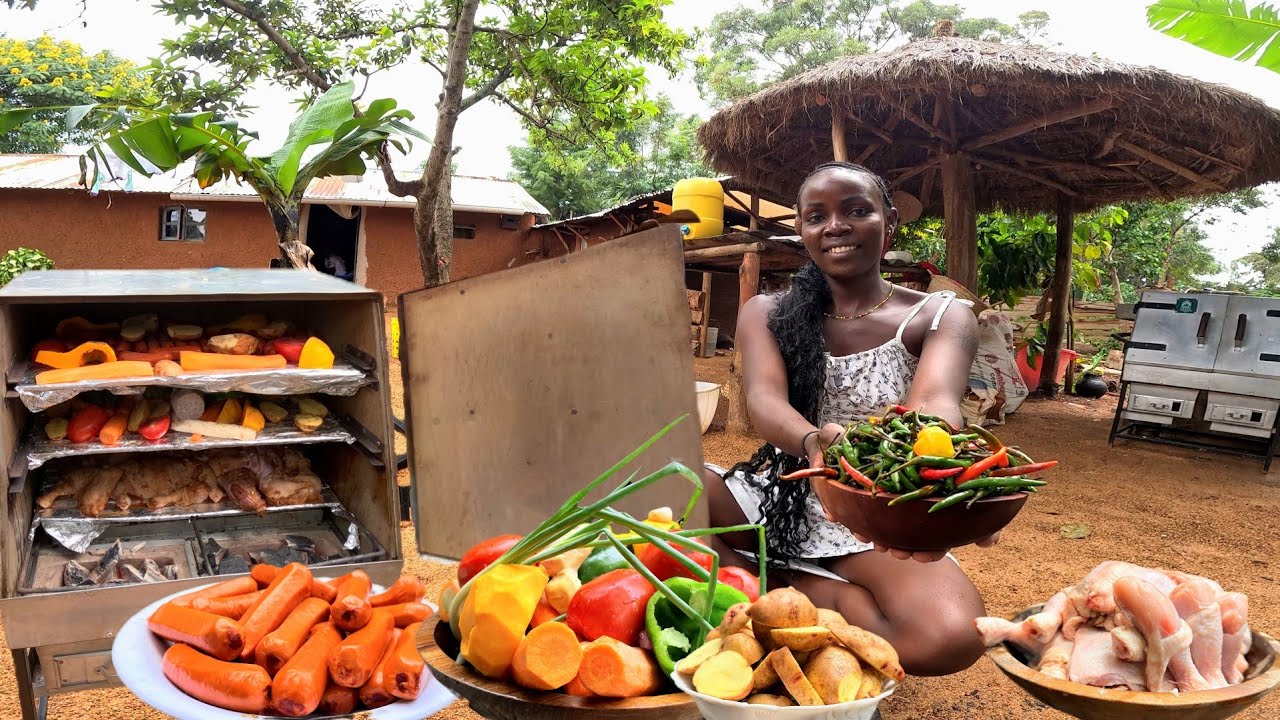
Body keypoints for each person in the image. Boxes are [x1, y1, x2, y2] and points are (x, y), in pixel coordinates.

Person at [704, 161, 988, 676]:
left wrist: (943, 483)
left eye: (856, 211)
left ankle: (769, 591)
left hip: (872, 504)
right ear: (802, 230)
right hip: (780, 487)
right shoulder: (768, 311)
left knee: (949, 637)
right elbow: (764, 400)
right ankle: (784, 595)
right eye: (817, 216)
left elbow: (936, 404)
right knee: (668, 485)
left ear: (890, 222)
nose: (835, 226)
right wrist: (813, 441)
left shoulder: (940, 315)